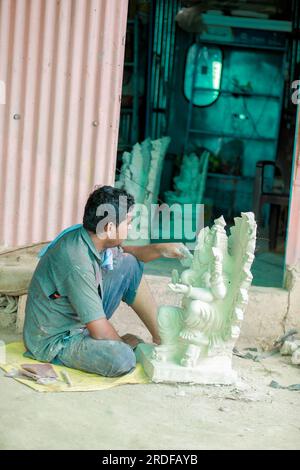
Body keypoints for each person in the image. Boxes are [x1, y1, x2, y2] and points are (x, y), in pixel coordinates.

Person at [23, 185, 184, 377]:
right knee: (123, 358)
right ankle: (106, 347)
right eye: (128, 222)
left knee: (130, 264)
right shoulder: (76, 260)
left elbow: (131, 253)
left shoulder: (93, 236)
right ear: (109, 228)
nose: (130, 227)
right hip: (55, 338)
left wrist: (160, 249)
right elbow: (99, 330)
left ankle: (163, 337)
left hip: (75, 316)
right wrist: (120, 344)